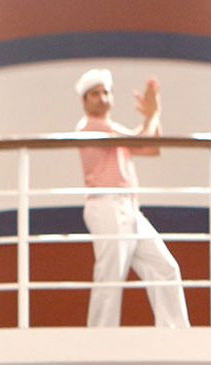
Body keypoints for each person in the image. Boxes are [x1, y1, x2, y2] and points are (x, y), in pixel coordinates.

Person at [73, 69, 188, 329]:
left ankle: (175, 332)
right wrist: (152, 115)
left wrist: (152, 116)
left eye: (106, 92)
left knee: (165, 268)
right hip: (107, 204)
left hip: (128, 207)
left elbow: (151, 147)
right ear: (84, 101)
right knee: (111, 274)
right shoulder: (90, 126)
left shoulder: (110, 129)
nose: (102, 98)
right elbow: (140, 141)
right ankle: (100, 336)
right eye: (95, 93)